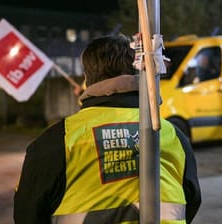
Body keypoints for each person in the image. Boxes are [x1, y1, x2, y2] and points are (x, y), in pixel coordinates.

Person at [14, 35, 201, 224]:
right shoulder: (172, 135)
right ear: (134, 70)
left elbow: (27, 214)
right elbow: (191, 200)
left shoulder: (56, 141)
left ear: (88, 78)